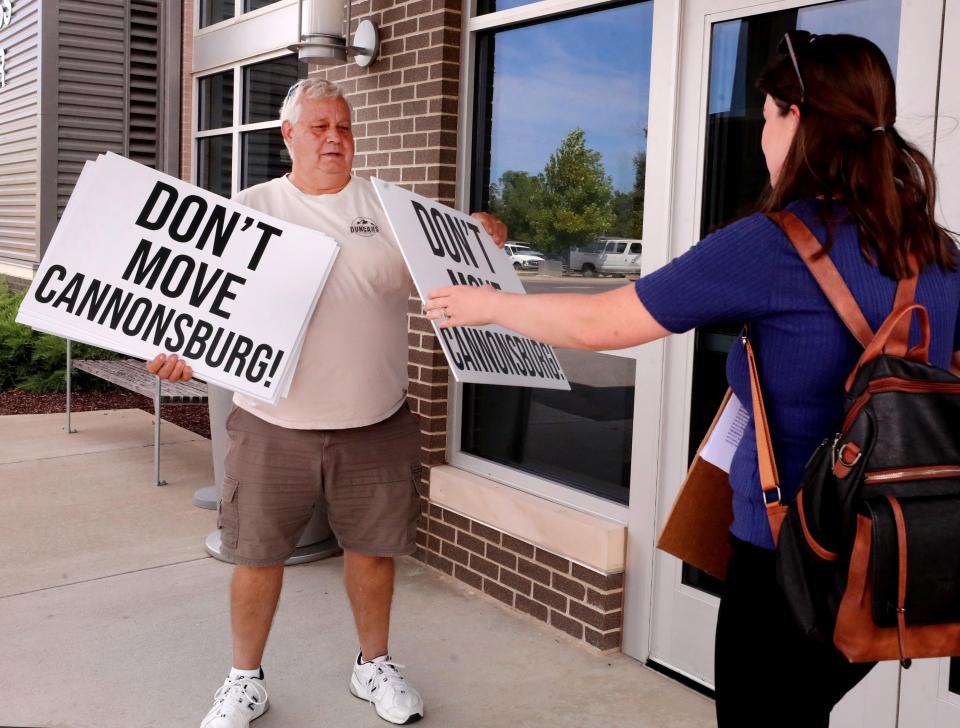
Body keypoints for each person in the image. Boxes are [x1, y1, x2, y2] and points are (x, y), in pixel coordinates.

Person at [424, 33, 960, 726]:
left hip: (789, 559)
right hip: (893, 550)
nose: (763, 134)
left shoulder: (773, 244)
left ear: (796, 118)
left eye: (767, 115)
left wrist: (487, 305)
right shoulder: (939, 253)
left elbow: (606, 324)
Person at [147, 78, 506, 728]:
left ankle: (374, 665)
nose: (336, 139)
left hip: (375, 425)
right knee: (256, 557)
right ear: (288, 135)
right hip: (272, 425)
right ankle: (243, 680)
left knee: (372, 554)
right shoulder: (250, 207)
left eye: (344, 127)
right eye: (319, 127)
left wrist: (479, 235)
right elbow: (207, 305)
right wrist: (181, 348)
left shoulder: (392, 211)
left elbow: (455, 262)